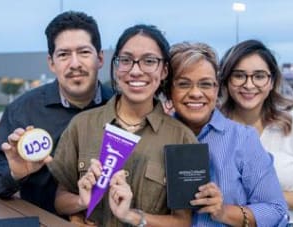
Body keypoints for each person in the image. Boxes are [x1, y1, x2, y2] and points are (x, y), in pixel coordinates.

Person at [47, 24, 198, 226]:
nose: (136, 71)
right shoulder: (82, 125)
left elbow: (182, 221)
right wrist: (82, 201)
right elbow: (60, 200)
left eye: (149, 61)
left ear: (164, 71)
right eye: (126, 60)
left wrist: (132, 216)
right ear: (116, 67)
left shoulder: (182, 139)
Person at [0, 11, 114, 214]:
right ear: (51, 63)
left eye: (84, 52)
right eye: (64, 54)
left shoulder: (122, 107)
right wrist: (14, 173)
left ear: (99, 58)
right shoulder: (23, 110)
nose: (75, 64)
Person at [164, 42, 289, 226]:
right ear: (169, 90)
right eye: (183, 84)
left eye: (206, 84)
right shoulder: (155, 137)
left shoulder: (243, 139)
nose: (196, 93)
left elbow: (275, 209)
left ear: (217, 89)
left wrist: (223, 212)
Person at [219, 39, 293, 226]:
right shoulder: (213, 128)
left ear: (271, 81)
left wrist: (272, 198)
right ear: (226, 80)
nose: (249, 84)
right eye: (239, 75)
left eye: (259, 76)